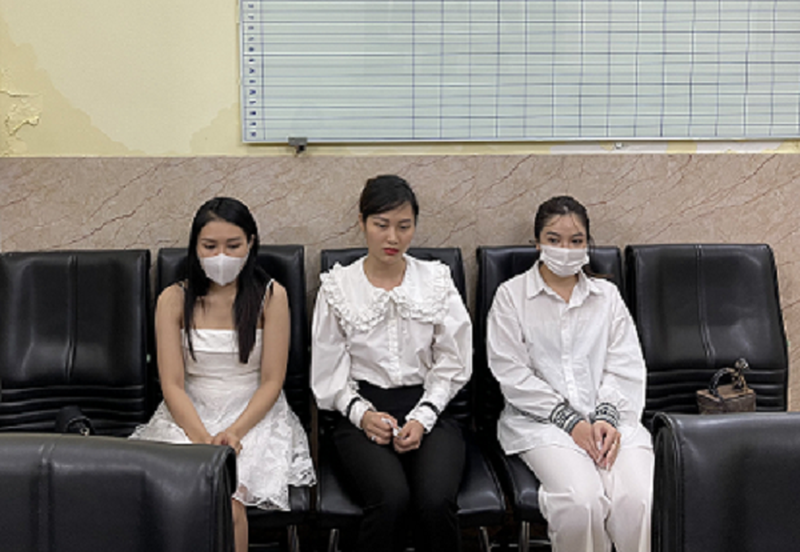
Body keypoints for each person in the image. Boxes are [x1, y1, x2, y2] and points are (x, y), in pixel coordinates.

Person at [130, 197, 315, 552]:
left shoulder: (272, 296)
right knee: (178, 502)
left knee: (228, 503)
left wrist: (233, 433)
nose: (221, 256)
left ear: (251, 243)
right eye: (210, 246)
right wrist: (202, 440)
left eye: (233, 246)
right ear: (195, 247)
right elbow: (172, 384)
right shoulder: (172, 299)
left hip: (253, 416)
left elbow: (272, 381)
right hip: (188, 416)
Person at [311, 175, 471, 552]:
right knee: (390, 500)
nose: (392, 238)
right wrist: (363, 414)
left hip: (431, 406)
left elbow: (454, 359)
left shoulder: (436, 279)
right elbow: (328, 371)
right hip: (360, 411)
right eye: (381, 225)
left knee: (435, 501)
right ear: (362, 222)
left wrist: (424, 416)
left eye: (404, 226)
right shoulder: (338, 287)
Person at [486, 196, 653, 552]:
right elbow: (511, 374)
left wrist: (605, 416)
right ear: (537, 243)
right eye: (554, 239)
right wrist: (571, 421)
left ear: (587, 244)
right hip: (542, 424)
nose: (565, 249)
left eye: (575, 241)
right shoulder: (511, 297)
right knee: (582, 501)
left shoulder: (607, 297)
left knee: (639, 499)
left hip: (612, 420)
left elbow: (625, 365)